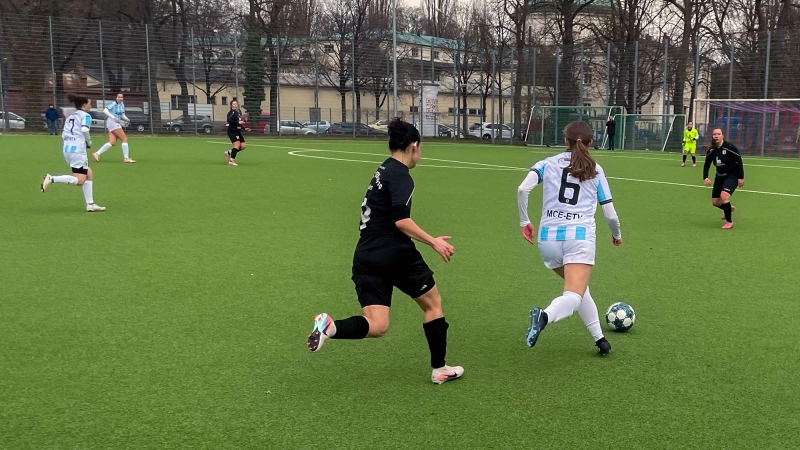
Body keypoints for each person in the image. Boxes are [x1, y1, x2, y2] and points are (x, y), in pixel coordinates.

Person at [307, 118, 463, 384]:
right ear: (414, 146)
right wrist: (433, 242)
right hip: (394, 253)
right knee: (433, 305)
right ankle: (440, 369)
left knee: (377, 325)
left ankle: (330, 327)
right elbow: (401, 221)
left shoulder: (382, 170)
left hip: (365, 255)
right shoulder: (401, 176)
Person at [517, 120, 622, 356]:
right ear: (590, 143)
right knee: (573, 296)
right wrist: (616, 234)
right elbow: (610, 213)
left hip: (548, 239)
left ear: (565, 140)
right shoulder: (596, 169)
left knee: (580, 289)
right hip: (579, 237)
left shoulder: (547, 163)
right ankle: (544, 316)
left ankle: (600, 339)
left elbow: (523, 189)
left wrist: (525, 221)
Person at [40, 94, 105, 212]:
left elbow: (64, 134)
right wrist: (88, 142)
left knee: (88, 173)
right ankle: (51, 178)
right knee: (80, 180)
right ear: (84, 105)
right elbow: (84, 129)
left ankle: (90, 204)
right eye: (89, 104)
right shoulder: (86, 116)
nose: (91, 106)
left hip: (67, 149)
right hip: (78, 151)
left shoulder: (71, 117)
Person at [703, 128, 745, 229]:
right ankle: (728, 209)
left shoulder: (729, 147)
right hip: (719, 176)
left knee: (724, 197)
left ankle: (729, 222)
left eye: (718, 134)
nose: (716, 136)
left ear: (722, 136)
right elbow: (707, 164)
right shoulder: (711, 150)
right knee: (715, 202)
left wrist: (741, 177)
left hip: (732, 175)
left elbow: (739, 160)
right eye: (714, 134)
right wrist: (705, 177)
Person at [92, 92, 135, 163]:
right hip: (112, 123)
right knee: (124, 138)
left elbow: (122, 115)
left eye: (121, 97)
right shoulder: (113, 103)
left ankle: (96, 153)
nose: (120, 98)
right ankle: (126, 158)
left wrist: (126, 119)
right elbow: (105, 110)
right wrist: (113, 117)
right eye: (119, 97)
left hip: (114, 123)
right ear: (116, 98)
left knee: (112, 142)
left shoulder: (122, 104)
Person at [224, 100, 248, 166]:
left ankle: (228, 152)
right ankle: (231, 161)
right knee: (237, 146)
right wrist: (237, 122)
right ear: (231, 105)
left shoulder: (237, 113)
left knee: (243, 146)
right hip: (232, 131)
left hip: (238, 131)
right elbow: (229, 120)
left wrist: (244, 128)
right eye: (234, 104)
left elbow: (238, 123)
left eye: (236, 104)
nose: (235, 105)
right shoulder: (231, 113)